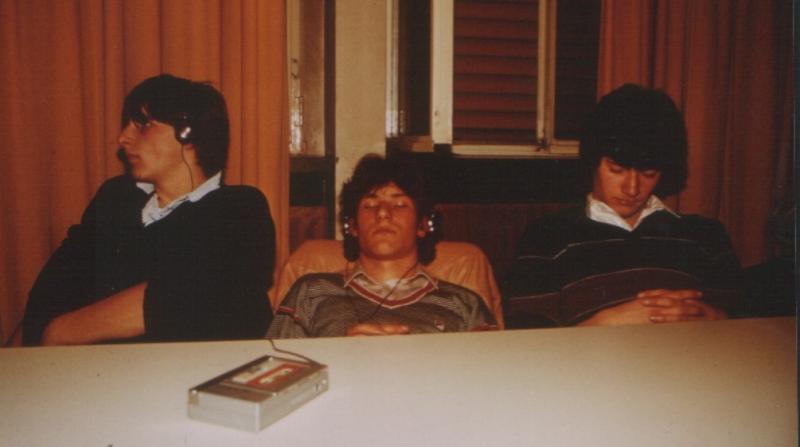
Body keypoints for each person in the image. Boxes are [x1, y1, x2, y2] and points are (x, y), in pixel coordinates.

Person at [22, 74, 275, 345]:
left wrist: (58, 332)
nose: (122, 138)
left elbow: (174, 299)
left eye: (143, 124)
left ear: (187, 133)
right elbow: (54, 286)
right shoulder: (115, 198)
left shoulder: (239, 209)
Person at [504, 84, 742, 328]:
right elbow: (525, 338)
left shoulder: (706, 235)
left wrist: (714, 318)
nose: (632, 189)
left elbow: (750, 323)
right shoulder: (546, 237)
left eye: (648, 173)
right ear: (593, 162)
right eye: (616, 170)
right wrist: (603, 324)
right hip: (593, 353)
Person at [267, 154, 496, 338]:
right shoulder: (311, 292)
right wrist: (342, 353)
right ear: (352, 226)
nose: (383, 213)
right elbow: (276, 369)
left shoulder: (465, 304)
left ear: (423, 225)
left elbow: (491, 373)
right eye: (370, 204)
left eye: (400, 204)